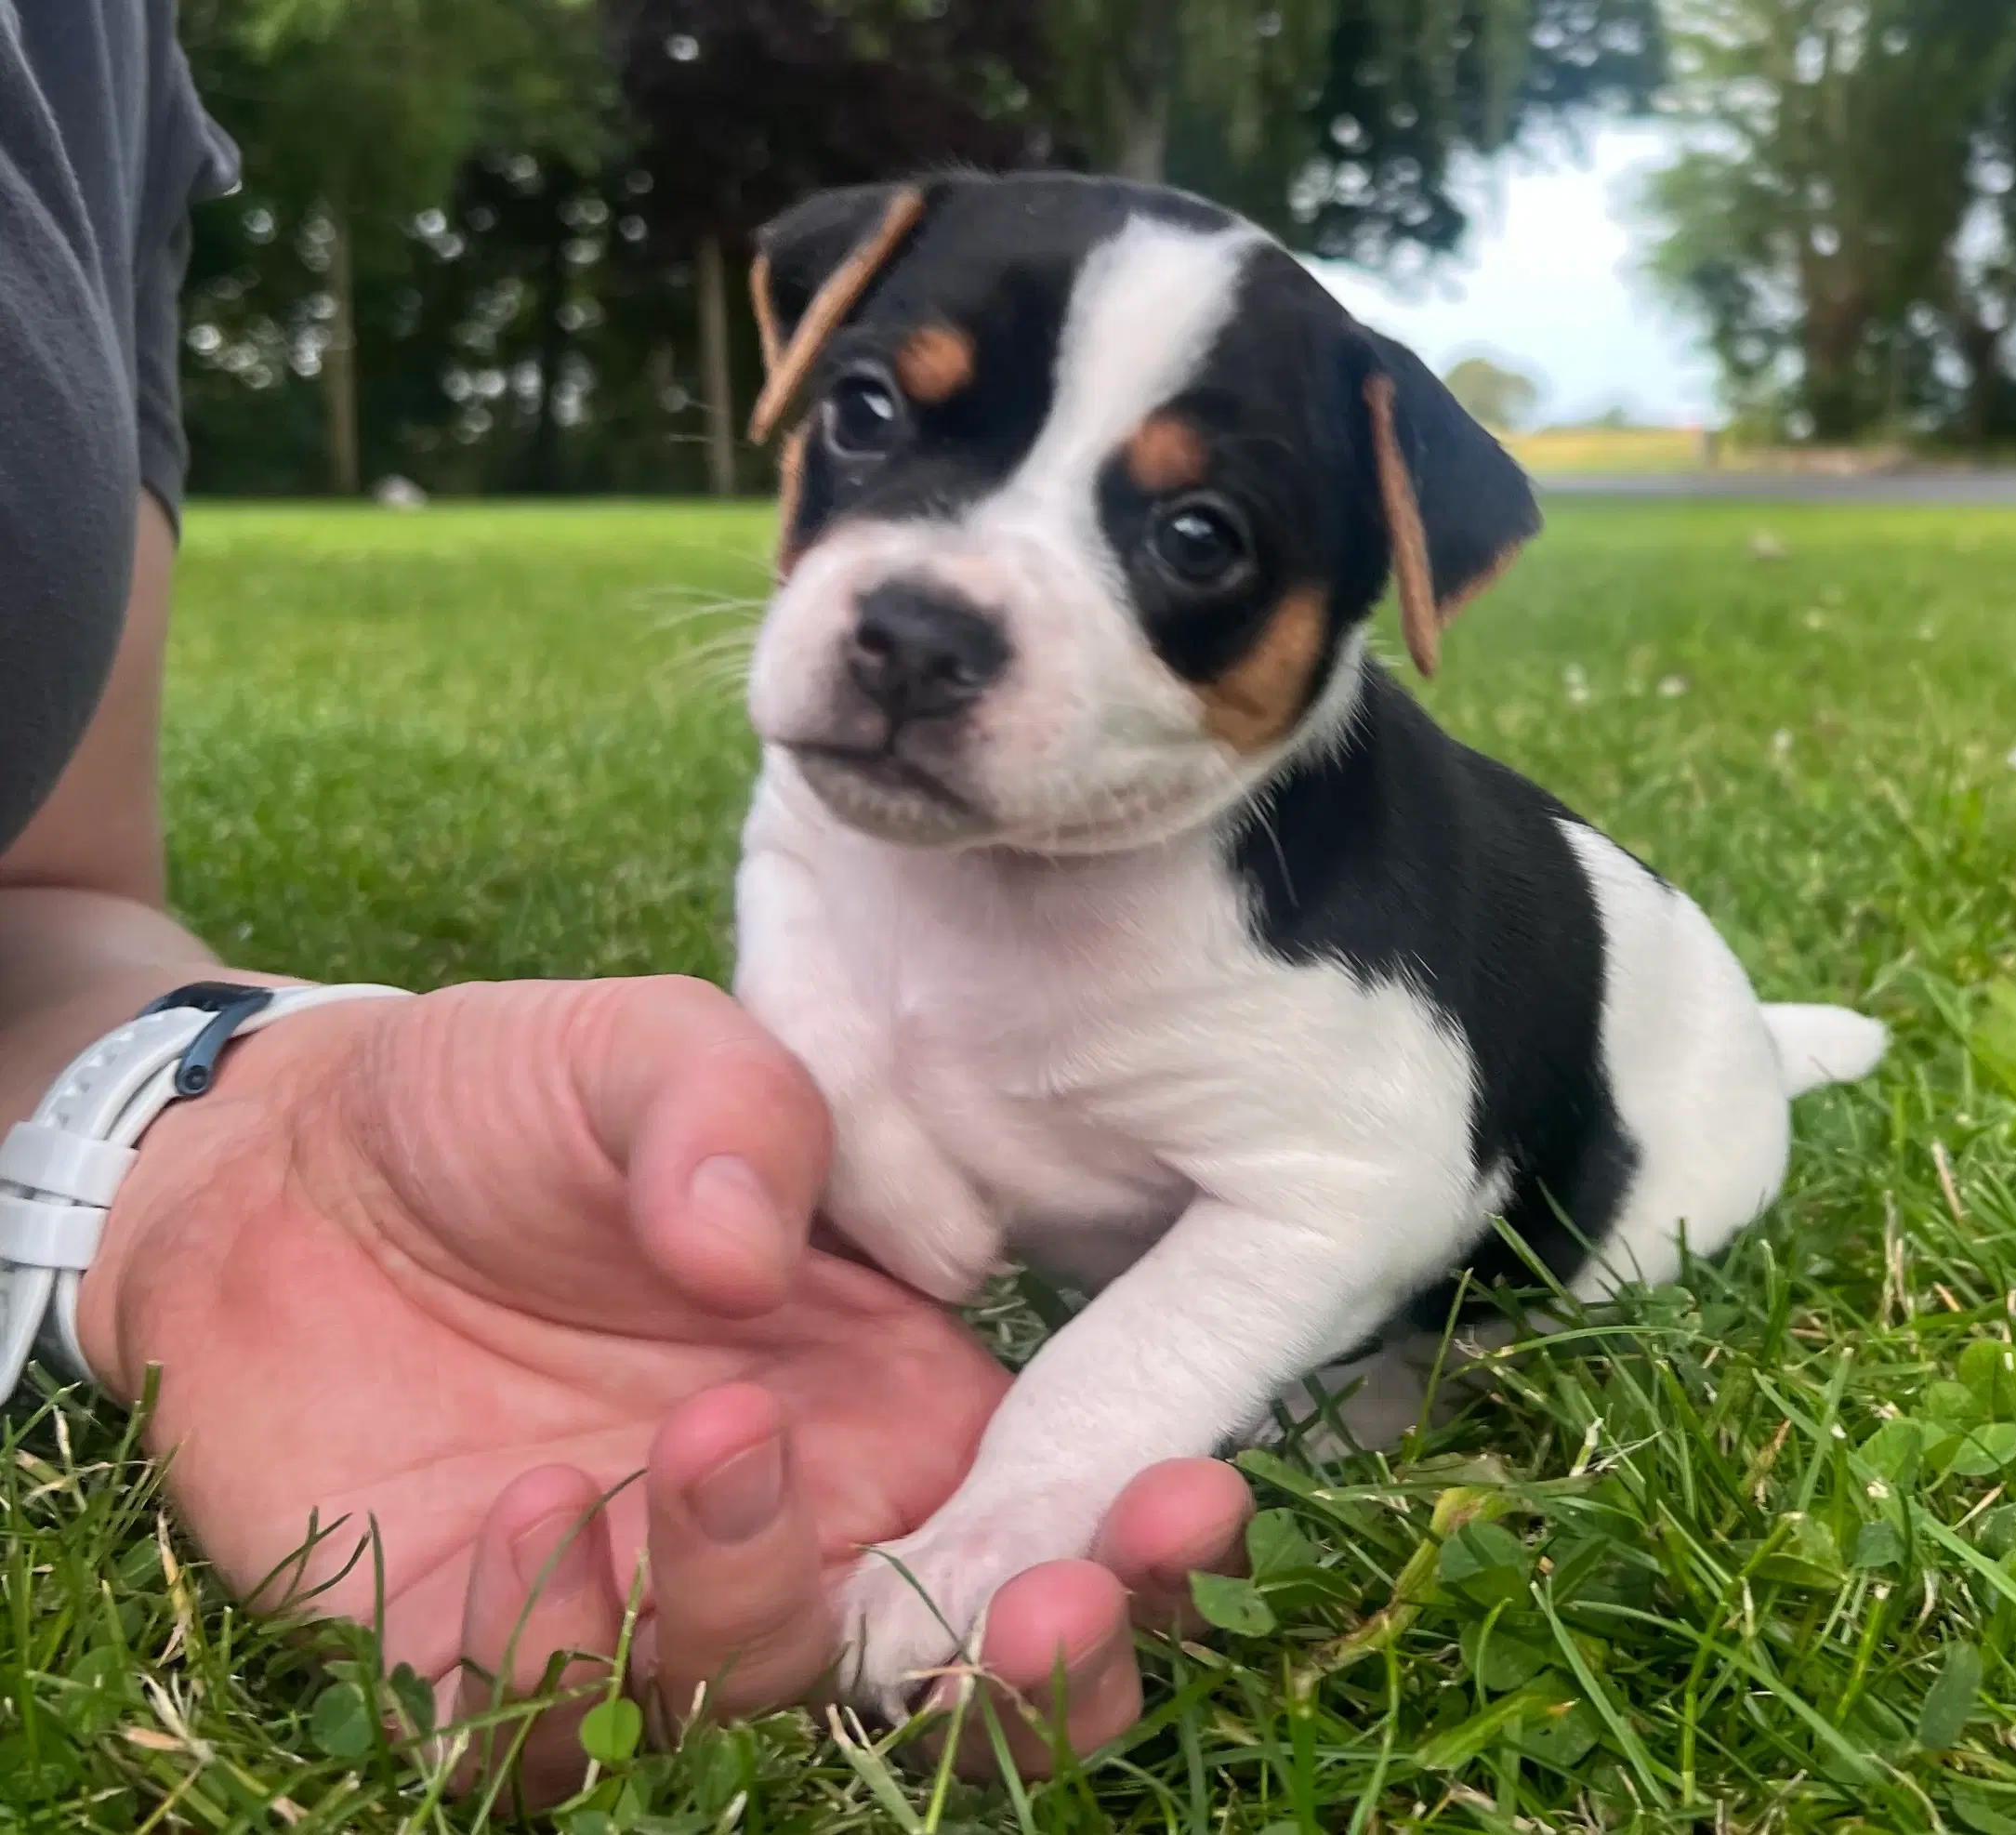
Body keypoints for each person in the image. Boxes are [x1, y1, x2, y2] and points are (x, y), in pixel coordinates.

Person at [0, 0, 1251, 1796]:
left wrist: (200, 1164)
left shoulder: (83, 39)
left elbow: (40, 886)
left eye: (1191, 538)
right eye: (881, 413)